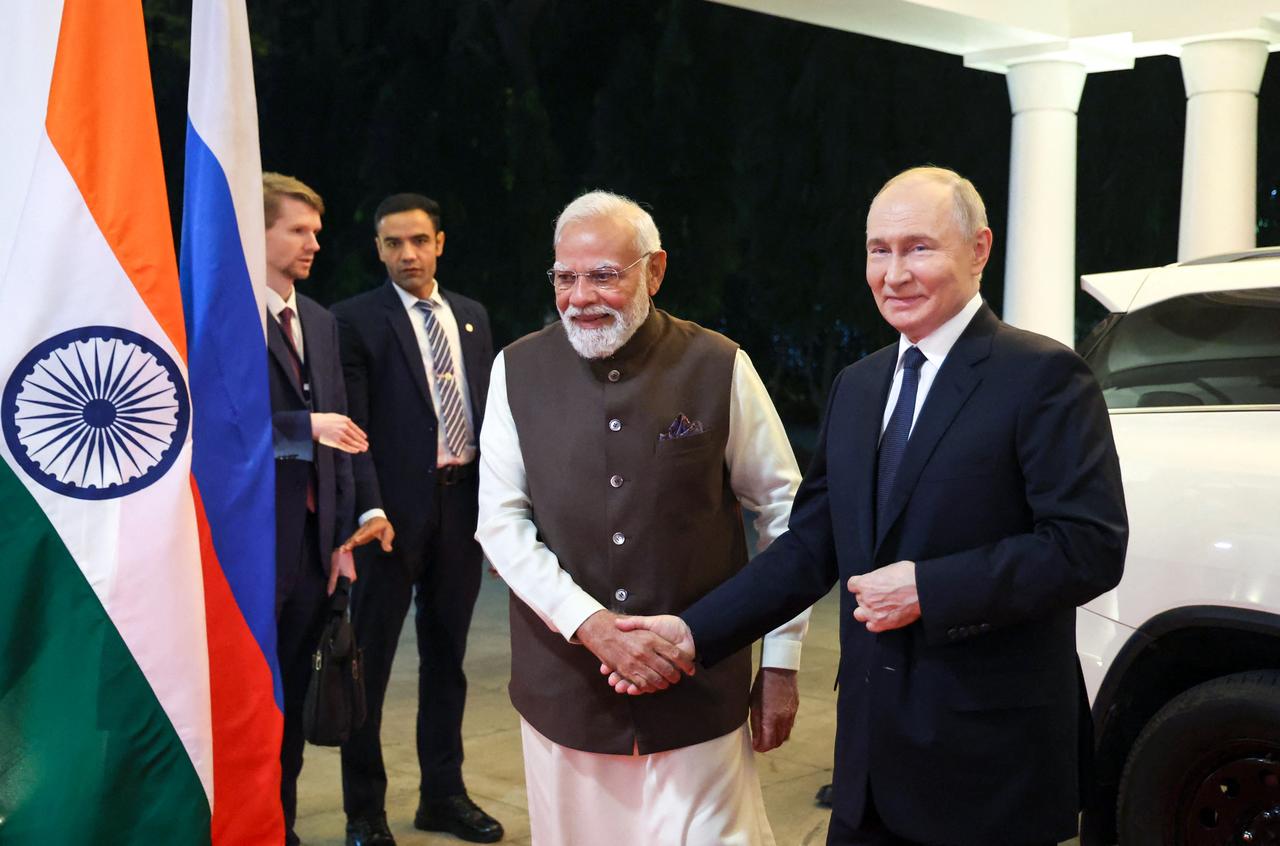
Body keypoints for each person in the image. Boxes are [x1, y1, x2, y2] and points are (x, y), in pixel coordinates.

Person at [610, 167, 1129, 846]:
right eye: (878, 250)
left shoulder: (1043, 377)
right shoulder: (860, 385)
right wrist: (693, 633)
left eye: (919, 247)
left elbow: (1087, 548)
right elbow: (810, 542)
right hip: (868, 761)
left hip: (989, 765)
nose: (894, 273)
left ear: (979, 249)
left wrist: (927, 588)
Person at [475, 190, 811, 845]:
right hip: (566, 693)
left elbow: (785, 512)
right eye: (565, 277)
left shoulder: (718, 364)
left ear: (654, 272)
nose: (580, 297)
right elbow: (501, 524)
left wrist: (780, 661)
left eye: (604, 274)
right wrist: (592, 626)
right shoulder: (516, 369)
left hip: (699, 691)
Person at [332, 194, 502, 845]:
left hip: (460, 508)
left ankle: (443, 794)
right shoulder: (355, 320)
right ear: (378, 248)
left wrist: (499, 510)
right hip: (388, 519)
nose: (407, 254)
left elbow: (488, 417)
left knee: (447, 660)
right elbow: (356, 430)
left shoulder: (471, 317)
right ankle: (364, 812)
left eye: (419, 241)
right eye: (393, 243)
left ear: (440, 242)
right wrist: (370, 507)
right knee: (365, 667)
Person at [262, 172, 365, 846]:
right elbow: (212, 424)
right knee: (249, 700)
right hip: (248, 546)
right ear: (258, 231)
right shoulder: (217, 312)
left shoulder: (321, 321)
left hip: (312, 545)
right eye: (299, 229)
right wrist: (304, 428)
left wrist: (344, 537)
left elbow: (345, 436)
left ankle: (282, 827)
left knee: (295, 695)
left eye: (317, 231)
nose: (314, 243)